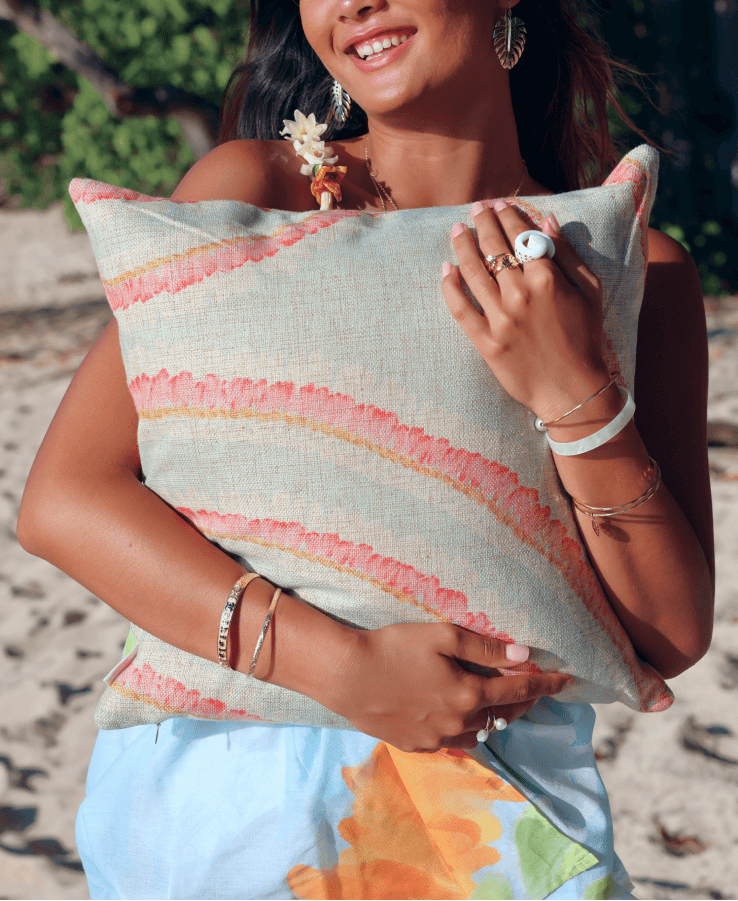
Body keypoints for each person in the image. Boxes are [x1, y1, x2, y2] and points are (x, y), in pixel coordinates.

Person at [18, 0, 714, 898]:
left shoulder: (625, 264)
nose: (351, 4)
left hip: (497, 830)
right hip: (225, 822)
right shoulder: (250, 191)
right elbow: (65, 499)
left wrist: (574, 394)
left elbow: (671, 632)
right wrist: (340, 669)